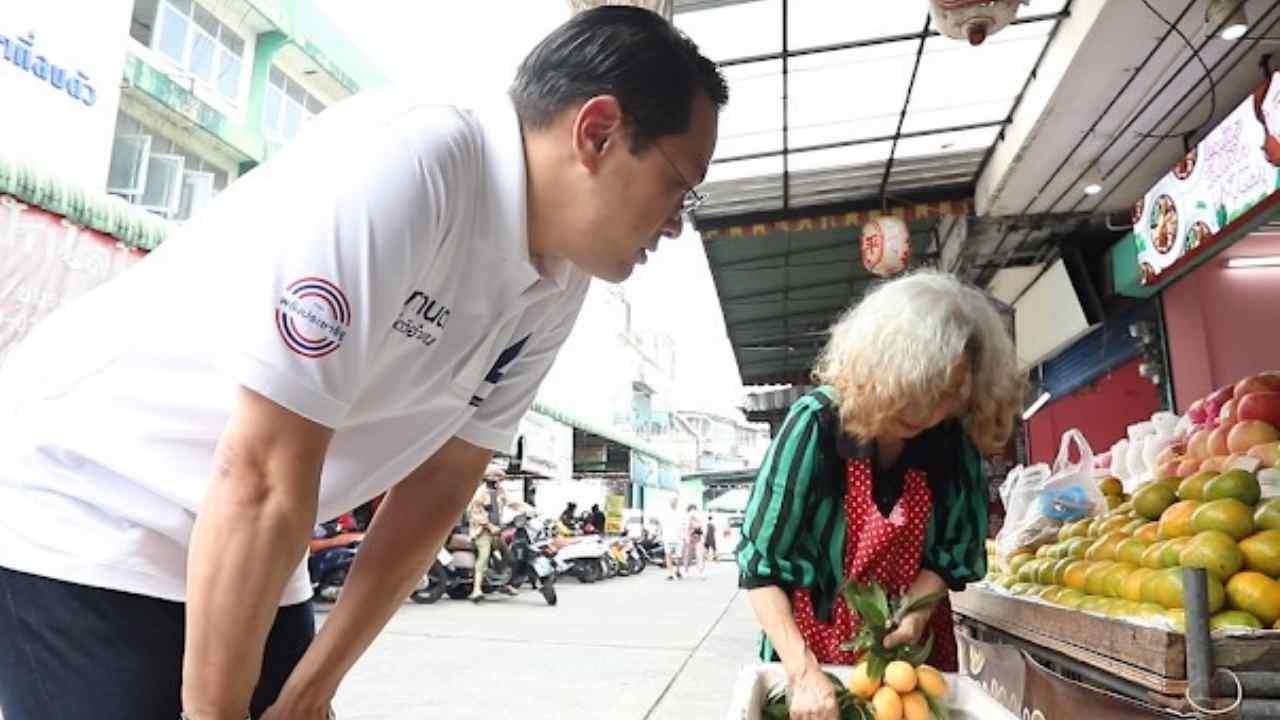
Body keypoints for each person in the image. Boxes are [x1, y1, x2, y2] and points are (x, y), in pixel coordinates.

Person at [0, 8, 727, 720]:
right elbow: (262, 469)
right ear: (598, 132)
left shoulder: (562, 277)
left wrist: (313, 688)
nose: (675, 223)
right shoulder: (415, 161)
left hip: (255, 535)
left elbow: (442, 482)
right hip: (93, 498)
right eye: (678, 186)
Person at [737, 271, 1022, 720]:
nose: (926, 411)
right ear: (882, 366)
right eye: (916, 386)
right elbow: (760, 568)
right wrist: (803, 673)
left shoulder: (953, 439)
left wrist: (915, 615)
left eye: (946, 395)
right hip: (811, 654)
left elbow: (951, 556)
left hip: (913, 658)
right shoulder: (815, 426)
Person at [466, 469, 529, 601]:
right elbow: (475, 514)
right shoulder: (480, 493)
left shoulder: (500, 491)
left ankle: (503, 583)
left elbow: (512, 503)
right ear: (488, 478)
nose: (499, 481)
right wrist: (489, 526)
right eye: (497, 478)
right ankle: (476, 590)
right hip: (482, 532)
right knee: (483, 557)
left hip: (497, 531)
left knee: (509, 556)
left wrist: (528, 510)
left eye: (500, 478)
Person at [662, 495, 686, 581]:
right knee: (668, 555)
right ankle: (670, 574)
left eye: (675, 500)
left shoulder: (681, 512)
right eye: (671, 500)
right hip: (668, 537)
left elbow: (684, 525)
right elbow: (662, 525)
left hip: (678, 538)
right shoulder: (665, 512)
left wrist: (683, 536)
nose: (673, 502)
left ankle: (677, 571)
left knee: (678, 557)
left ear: (677, 502)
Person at [684, 504, 706, 576]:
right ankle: (686, 570)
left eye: (694, 510)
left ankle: (701, 571)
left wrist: (703, 538)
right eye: (692, 510)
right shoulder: (686, 519)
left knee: (699, 555)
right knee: (688, 556)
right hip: (689, 539)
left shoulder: (698, 519)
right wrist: (687, 538)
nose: (693, 512)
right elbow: (685, 529)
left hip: (698, 538)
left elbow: (702, 528)